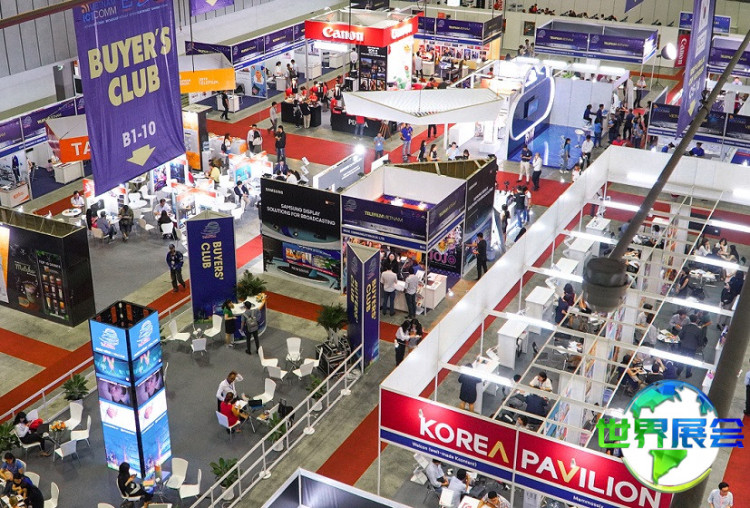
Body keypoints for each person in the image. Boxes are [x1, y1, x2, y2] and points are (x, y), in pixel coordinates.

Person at [678, 314, 703, 378]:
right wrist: (698, 345)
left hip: (684, 345)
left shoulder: (685, 327)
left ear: (690, 319)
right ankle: (688, 373)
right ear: (696, 320)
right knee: (690, 360)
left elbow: (680, 336)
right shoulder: (699, 330)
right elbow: (700, 341)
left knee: (682, 358)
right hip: (692, 348)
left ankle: (679, 371)